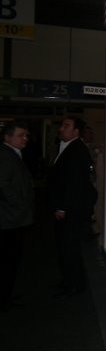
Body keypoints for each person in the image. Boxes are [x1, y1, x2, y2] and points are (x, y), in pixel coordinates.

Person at [49, 116, 98, 296]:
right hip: (70, 209)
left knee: (69, 248)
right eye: (62, 125)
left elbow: (74, 183)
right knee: (66, 247)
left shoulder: (77, 150)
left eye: (66, 126)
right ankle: (70, 281)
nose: (61, 128)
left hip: (72, 211)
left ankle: (74, 284)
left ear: (76, 131)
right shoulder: (68, 147)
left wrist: (62, 207)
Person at [0, 122, 34, 312]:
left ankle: (6, 294)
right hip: (9, 218)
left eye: (26, 135)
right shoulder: (5, 155)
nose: (25, 139)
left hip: (12, 217)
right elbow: (2, 185)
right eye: (21, 135)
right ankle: (4, 298)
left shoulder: (12, 153)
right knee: (8, 259)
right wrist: (19, 204)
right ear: (7, 137)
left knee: (11, 258)